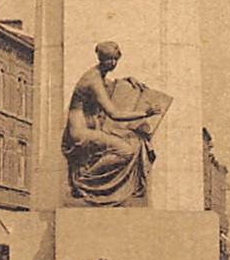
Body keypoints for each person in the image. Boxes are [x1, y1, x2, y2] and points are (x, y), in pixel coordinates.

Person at [61, 41, 172, 205]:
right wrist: (145, 113)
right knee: (126, 151)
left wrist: (127, 81)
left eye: (115, 60)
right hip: (79, 133)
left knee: (136, 143)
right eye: (108, 60)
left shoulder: (99, 75)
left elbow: (109, 86)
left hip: (90, 128)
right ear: (100, 59)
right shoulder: (93, 80)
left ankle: (101, 186)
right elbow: (114, 114)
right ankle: (84, 182)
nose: (112, 64)